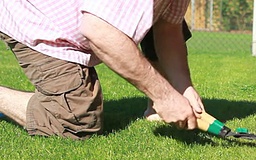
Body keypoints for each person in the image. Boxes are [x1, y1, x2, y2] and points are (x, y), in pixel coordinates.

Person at [0, 1, 204, 139]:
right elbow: (99, 32)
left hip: (79, 16)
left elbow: (167, 26)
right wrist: (165, 97)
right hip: (35, 16)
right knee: (74, 120)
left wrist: (183, 87)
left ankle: (156, 109)